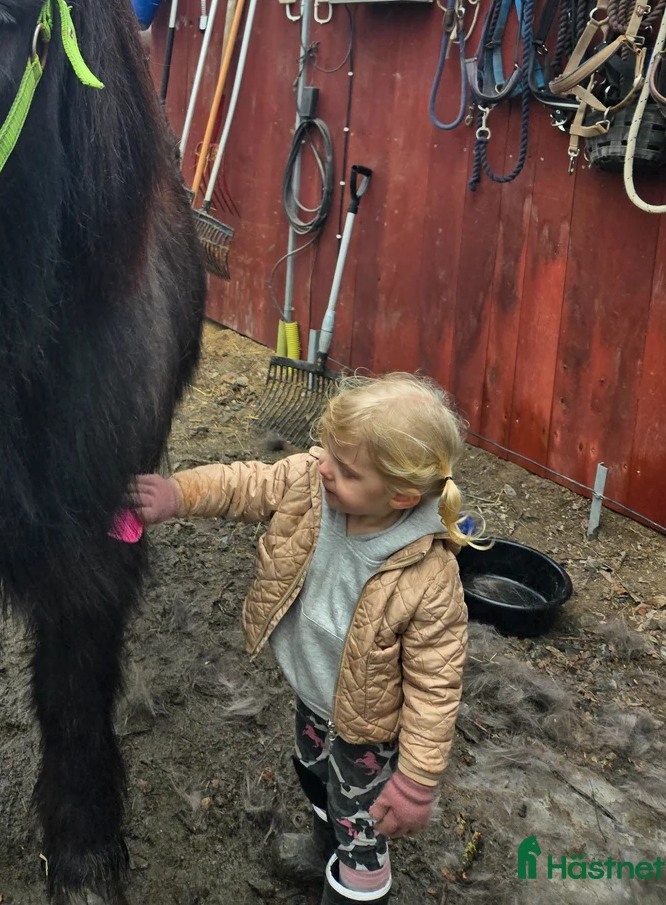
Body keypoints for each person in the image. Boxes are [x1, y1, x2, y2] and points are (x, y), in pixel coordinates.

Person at [131, 372, 481, 905]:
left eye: (345, 469)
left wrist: (414, 782)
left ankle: (355, 879)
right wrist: (178, 493)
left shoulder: (428, 579)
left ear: (401, 495)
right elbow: (244, 484)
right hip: (316, 695)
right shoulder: (313, 486)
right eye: (328, 455)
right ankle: (326, 844)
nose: (323, 468)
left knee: (361, 830)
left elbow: (437, 688)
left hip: (369, 729)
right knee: (314, 771)